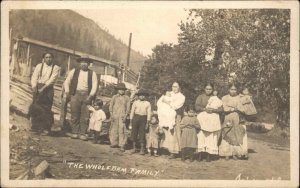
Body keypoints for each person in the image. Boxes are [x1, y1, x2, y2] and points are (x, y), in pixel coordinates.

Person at [63, 55, 98, 141]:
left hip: (87, 95)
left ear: (88, 64)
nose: (84, 64)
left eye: (86, 62)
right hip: (75, 94)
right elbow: (67, 81)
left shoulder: (92, 74)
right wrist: (67, 92)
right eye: (82, 62)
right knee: (74, 114)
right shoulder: (74, 71)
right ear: (79, 63)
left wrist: (90, 96)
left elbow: (95, 86)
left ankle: (83, 133)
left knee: (85, 115)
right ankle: (75, 132)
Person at [30, 52, 61, 135]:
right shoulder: (39, 66)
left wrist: (43, 89)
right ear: (43, 58)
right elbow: (34, 76)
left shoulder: (56, 68)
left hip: (48, 89)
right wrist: (34, 87)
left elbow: (52, 80)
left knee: (46, 109)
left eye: (50, 57)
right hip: (38, 87)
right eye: (46, 57)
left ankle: (45, 129)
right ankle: (35, 127)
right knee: (36, 107)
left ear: (52, 58)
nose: (48, 59)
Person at [219, 83, 248, 160]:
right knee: (227, 133)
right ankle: (226, 153)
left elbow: (242, 108)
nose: (233, 91)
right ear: (229, 89)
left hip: (236, 116)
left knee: (235, 134)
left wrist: (235, 108)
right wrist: (233, 108)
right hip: (228, 116)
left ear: (237, 90)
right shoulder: (224, 97)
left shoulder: (239, 98)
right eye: (231, 89)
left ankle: (234, 153)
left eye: (235, 89)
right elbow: (225, 108)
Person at [195, 83, 223, 162]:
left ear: (212, 90)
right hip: (203, 118)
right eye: (207, 89)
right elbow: (196, 106)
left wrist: (213, 110)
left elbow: (221, 109)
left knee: (211, 137)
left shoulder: (216, 98)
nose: (208, 90)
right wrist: (205, 109)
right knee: (201, 136)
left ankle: (208, 155)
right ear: (204, 89)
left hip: (212, 120)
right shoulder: (200, 97)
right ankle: (200, 154)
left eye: (210, 89)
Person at [159, 82, 185, 159]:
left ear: (179, 87)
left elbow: (176, 106)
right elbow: (160, 101)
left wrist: (167, 102)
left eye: (176, 87)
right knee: (166, 132)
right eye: (173, 86)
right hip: (166, 115)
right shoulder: (169, 93)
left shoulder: (182, 96)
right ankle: (167, 149)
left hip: (176, 116)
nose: (174, 88)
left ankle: (174, 151)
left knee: (174, 132)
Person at [109, 82, 131, 152]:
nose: (121, 91)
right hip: (115, 115)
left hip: (122, 115)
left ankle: (122, 144)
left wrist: (126, 116)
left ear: (125, 90)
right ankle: (114, 142)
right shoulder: (114, 97)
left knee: (122, 130)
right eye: (120, 89)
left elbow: (128, 108)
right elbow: (111, 106)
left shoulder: (127, 98)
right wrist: (111, 114)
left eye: (123, 89)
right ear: (117, 90)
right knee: (114, 129)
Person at [129, 89, 151, 155]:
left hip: (143, 118)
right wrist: (131, 121)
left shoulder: (148, 103)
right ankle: (134, 148)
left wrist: (147, 122)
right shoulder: (135, 102)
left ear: (145, 96)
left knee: (142, 133)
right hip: (135, 118)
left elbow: (149, 113)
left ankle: (142, 149)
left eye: (143, 95)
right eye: (140, 95)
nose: (142, 97)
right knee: (134, 132)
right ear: (138, 96)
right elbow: (132, 112)